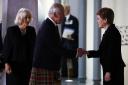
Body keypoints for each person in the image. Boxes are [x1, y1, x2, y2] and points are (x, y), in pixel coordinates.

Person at [29, 3, 84, 85]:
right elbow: (57, 48)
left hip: (48, 67)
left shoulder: (52, 25)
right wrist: (75, 53)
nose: (64, 17)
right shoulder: (48, 27)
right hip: (44, 68)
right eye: (62, 14)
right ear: (55, 14)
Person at [85, 7, 126, 85]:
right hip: (111, 69)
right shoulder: (109, 32)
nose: (97, 21)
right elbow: (101, 52)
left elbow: (112, 54)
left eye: (98, 18)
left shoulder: (112, 33)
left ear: (105, 20)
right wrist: (86, 52)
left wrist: (108, 71)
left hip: (114, 70)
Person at [3, 8, 36, 85]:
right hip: (14, 66)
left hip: (27, 65)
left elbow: (34, 48)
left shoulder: (31, 30)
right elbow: (7, 48)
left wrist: (34, 64)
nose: (28, 19)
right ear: (20, 18)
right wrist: (6, 63)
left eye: (29, 17)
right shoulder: (11, 30)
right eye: (26, 17)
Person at [61, 5, 79, 78]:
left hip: (72, 43)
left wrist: (70, 35)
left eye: (65, 9)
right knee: (63, 59)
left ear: (68, 10)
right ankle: (64, 74)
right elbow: (62, 30)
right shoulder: (62, 19)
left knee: (73, 59)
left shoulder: (74, 19)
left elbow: (76, 31)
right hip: (64, 43)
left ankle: (75, 74)